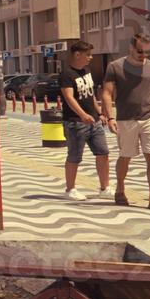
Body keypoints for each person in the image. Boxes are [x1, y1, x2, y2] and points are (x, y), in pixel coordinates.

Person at [102, 33, 150, 208]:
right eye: (140, 51)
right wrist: (110, 117)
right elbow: (107, 94)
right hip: (126, 119)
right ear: (131, 48)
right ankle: (120, 189)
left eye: (147, 52)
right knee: (125, 156)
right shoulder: (115, 67)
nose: (144, 55)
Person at [59, 40, 111, 201]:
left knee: (103, 153)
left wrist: (99, 113)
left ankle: (105, 188)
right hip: (75, 122)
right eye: (88, 55)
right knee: (74, 156)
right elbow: (69, 97)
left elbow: (90, 95)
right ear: (77, 54)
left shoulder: (86, 71)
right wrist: (82, 115)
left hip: (94, 122)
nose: (90, 58)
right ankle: (70, 189)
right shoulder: (66, 74)